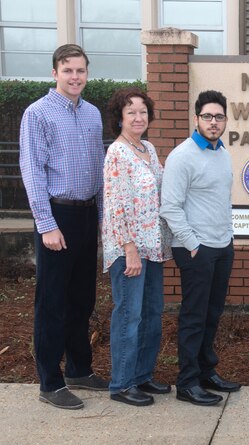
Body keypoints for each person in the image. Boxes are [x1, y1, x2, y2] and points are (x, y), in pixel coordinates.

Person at [19, 44, 108, 409]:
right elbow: (32, 172)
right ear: (55, 73)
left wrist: (102, 220)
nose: (75, 77)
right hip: (58, 217)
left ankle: (78, 368)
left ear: (87, 74)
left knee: (82, 299)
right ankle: (51, 382)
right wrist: (46, 224)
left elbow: (98, 171)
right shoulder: (37, 114)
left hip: (87, 216)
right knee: (52, 303)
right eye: (68, 70)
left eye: (80, 71)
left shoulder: (92, 114)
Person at [160, 90, 241, 406]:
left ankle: (207, 372)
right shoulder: (182, 156)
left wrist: (228, 237)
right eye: (207, 116)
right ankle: (187, 382)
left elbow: (220, 199)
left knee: (212, 313)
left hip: (221, 246)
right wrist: (192, 244)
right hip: (195, 248)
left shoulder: (223, 153)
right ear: (196, 119)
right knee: (194, 316)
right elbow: (170, 206)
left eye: (219, 116)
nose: (213, 121)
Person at [102, 88, 172, 406]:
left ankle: (142, 376)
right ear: (120, 117)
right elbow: (115, 204)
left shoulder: (148, 148)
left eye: (142, 111)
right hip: (128, 249)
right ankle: (121, 384)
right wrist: (129, 247)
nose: (138, 117)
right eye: (131, 112)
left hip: (152, 247)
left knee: (152, 313)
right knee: (129, 316)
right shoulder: (118, 153)